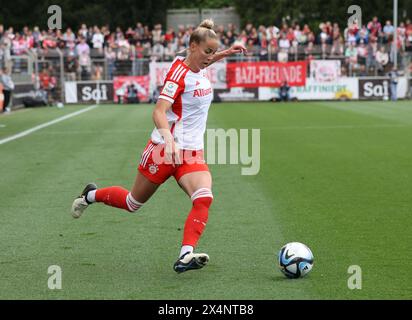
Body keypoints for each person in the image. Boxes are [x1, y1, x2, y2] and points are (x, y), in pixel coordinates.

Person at [71, 19, 246, 273]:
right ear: (193, 47)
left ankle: (185, 255)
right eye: (207, 52)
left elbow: (204, 61)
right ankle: (89, 195)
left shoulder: (200, 64)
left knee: (204, 198)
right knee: (133, 203)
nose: (210, 58)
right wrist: (170, 141)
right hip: (164, 151)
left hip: (191, 152)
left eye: (213, 53)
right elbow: (159, 112)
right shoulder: (178, 74)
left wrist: (225, 54)